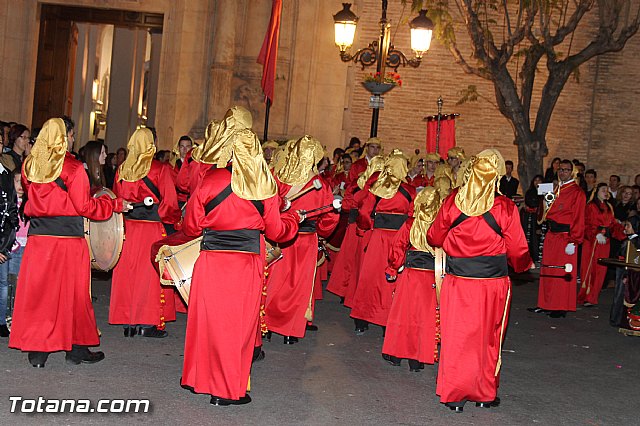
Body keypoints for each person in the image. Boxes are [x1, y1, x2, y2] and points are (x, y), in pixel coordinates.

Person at [180, 123, 301, 406]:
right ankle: (225, 391)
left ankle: (197, 378)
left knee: (206, 321)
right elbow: (277, 233)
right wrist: (294, 220)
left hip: (210, 260)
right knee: (237, 327)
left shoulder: (211, 180)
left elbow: (191, 225)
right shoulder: (264, 185)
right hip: (244, 265)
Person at [8, 118, 130, 367]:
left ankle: (38, 351)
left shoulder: (30, 166)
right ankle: (76, 348)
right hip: (68, 241)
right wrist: (115, 204)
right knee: (74, 295)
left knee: (40, 295)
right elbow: (85, 206)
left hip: (39, 239)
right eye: (71, 134)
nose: (73, 139)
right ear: (64, 137)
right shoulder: (73, 169)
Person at [427, 148, 532, 412]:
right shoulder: (505, 207)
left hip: (458, 281)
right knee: (489, 337)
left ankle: (454, 395)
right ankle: (484, 393)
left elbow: (433, 237)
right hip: (492, 284)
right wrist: (522, 267)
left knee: (457, 336)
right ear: (496, 176)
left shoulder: (453, 201)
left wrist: (457, 243)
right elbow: (518, 251)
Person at [264, 135, 338, 344]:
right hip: (306, 239)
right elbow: (329, 215)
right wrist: (322, 233)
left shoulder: (277, 178)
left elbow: (268, 205)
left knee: (275, 280)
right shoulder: (321, 185)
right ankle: (289, 330)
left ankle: (267, 324)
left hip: (281, 237)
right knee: (299, 285)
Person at [109, 128, 182, 338]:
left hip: (127, 228)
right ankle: (147, 323)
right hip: (151, 229)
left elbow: (116, 198)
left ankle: (128, 322)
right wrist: (175, 222)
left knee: (127, 274)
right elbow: (169, 203)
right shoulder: (159, 169)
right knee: (149, 276)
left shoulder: (122, 169)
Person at [350, 150, 416, 334]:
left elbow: (364, 213)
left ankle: (361, 318)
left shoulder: (377, 188)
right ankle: (388, 319)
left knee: (370, 277)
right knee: (392, 280)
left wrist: (364, 229)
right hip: (398, 239)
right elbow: (412, 217)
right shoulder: (409, 191)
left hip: (377, 237)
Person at [382, 185, 446, 372]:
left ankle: (396, 354)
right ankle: (417, 358)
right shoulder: (440, 225)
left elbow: (397, 247)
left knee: (404, 314)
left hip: (411, 274)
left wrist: (393, 268)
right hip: (432, 276)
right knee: (424, 318)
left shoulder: (411, 223)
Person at [529, 160, 586, 318]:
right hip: (551, 234)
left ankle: (560, 306)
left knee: (562, 272)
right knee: (548, 269)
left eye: (566, 170)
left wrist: (574, 241)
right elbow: (544, 211)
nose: (562, 172)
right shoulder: (555, 188)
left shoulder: (577, 193)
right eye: (560, 169)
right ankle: (545, 303)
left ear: (572, 172)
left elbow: (579, 218)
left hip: (565, 237)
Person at [578, 183, 625, 307]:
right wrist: (596, 234)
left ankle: (593, 297)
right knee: (589, 268)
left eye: (607, 190)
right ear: (596, 191)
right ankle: (585, 295)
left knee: (600, 270)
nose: (606, 192)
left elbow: (613, 224)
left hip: (605, 242)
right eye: (603, 190)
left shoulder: (609, 206)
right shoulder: (590, 206)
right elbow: (586, 223)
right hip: (592, 242)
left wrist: (622, 231)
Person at [0, 165, 18, 337]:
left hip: (5, 242)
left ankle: (3, 320)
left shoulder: (5, 173)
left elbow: (11, 212)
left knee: (5, 283)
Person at [521, 175, 543, 262]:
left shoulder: (545, 193)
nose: (537, 182)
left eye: (539, 180)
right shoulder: (530, 192)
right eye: (535, 180)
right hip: (531, 217)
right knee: (531, 236)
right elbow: (530, 202)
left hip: (541, 217)